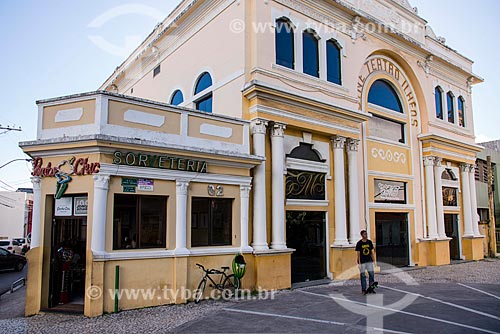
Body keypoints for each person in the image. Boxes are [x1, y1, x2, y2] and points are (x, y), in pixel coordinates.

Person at [355, 230, 375, 295]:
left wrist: (374, 260)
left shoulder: (369, 242)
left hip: (369, 261)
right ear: (362, 235)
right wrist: (359, 262)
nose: (366, 235)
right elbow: (358, 254)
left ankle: (371, 289)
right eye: (364, 234)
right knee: (363, 276)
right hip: (363, 262)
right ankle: (363, 289)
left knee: (371, 274)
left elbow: (372, 252)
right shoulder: (359, 243)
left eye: (366, 234)